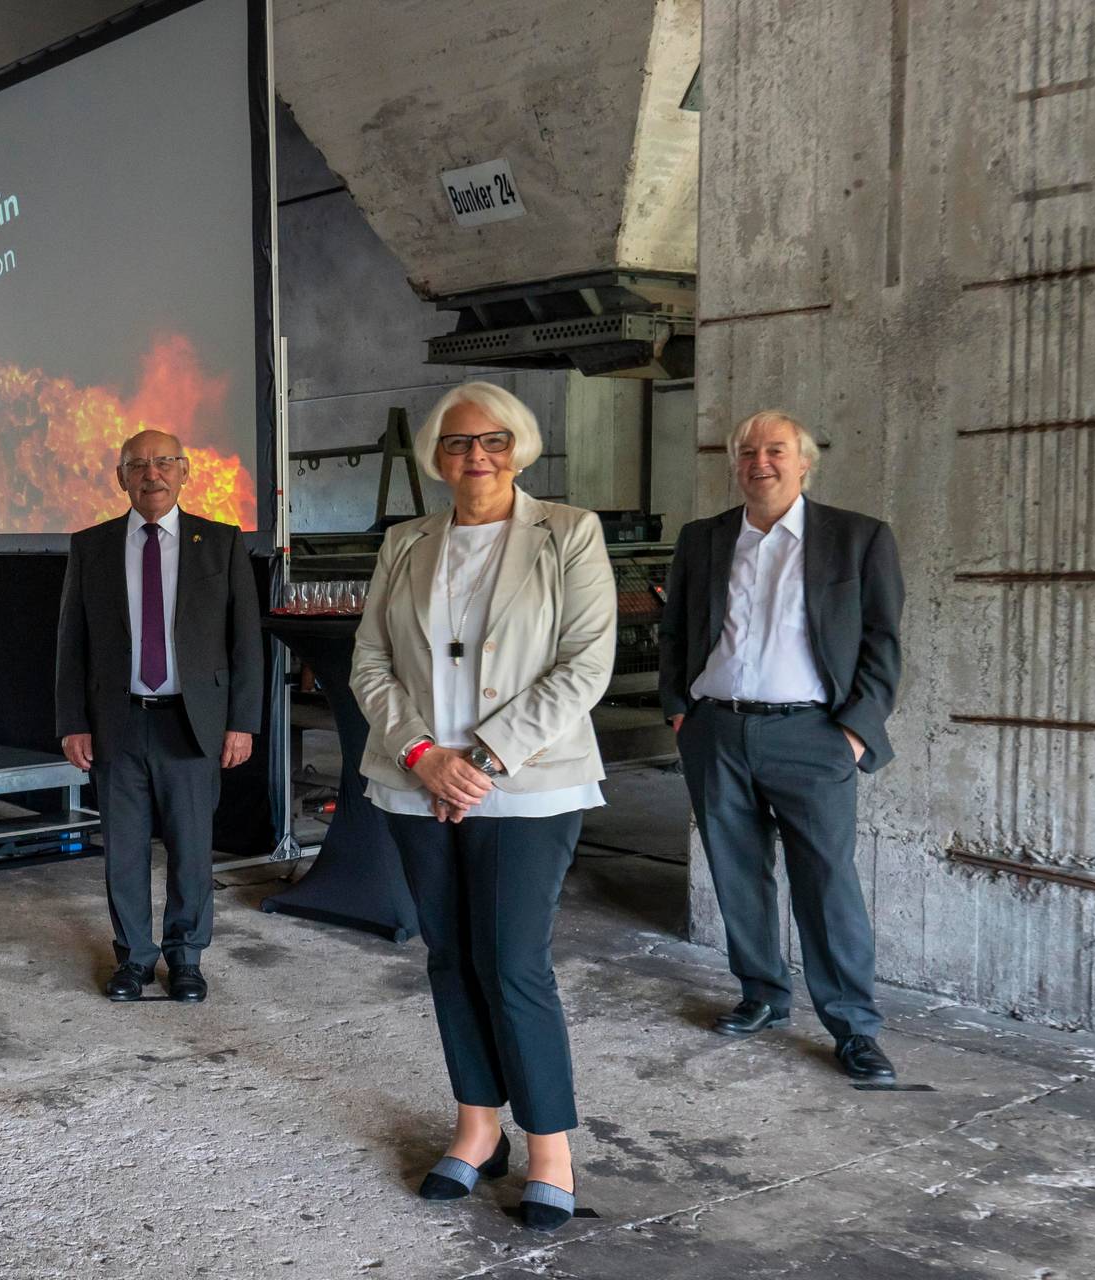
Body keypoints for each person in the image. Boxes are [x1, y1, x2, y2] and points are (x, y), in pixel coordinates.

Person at [349, 380, 617, 1233]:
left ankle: (549, 1148)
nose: (477, 456)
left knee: (512, 963)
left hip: (527, 785)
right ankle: (476, 1128)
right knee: (450, 956)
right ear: (436, 457)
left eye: (494, 441)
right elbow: (369, 663)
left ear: (520, 448)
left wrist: (487, 757)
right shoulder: (404, 541)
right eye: (460, 443)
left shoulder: (568, 533)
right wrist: (424, 755)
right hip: (414, 779)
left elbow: (584, 664)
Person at [659, 410, 903, 1082]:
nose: (759, 463)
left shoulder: (857, 539)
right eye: (746, 452)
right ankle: (762, 994)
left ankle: (853, 1027)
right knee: (737, 874)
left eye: (774, 450)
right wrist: (681, 711)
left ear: (804, 462)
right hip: (716, 729)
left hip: (813, 736)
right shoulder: (703, 539)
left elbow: (884, 644)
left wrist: (854, 732)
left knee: (826, 883)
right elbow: (675, 629)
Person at [55, 430, 264, 1002]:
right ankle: (134, 961)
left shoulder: (219, 542)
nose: (153, 474)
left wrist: (242, 721)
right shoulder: (91, 545)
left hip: (191, 724)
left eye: (164, 462)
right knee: (122, 850)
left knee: (192, 849)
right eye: (138, 465)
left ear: (185, 470)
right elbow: (71, 642)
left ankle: (186, 958)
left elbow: (246, 641)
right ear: (120, 477)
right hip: (116, 721)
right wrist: (73, 720)